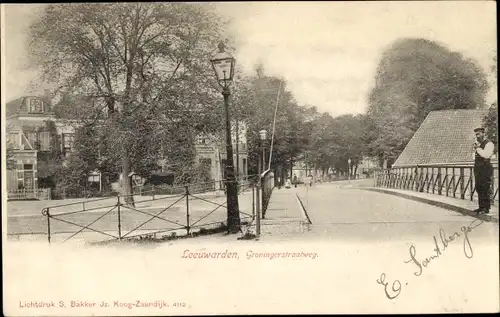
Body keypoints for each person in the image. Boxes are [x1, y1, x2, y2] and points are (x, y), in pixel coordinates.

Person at [472, 127, 495, 214]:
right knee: (478, 187)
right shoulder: (480, 144)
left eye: (479, 134)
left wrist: (478, 149)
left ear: (483, 134)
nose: (477, 136)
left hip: (485, 168)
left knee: (485, 187)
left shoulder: (489, 144)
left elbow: (486, 155)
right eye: (476, 134)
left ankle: (486, 208)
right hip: (478, 168)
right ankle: (481, 207)